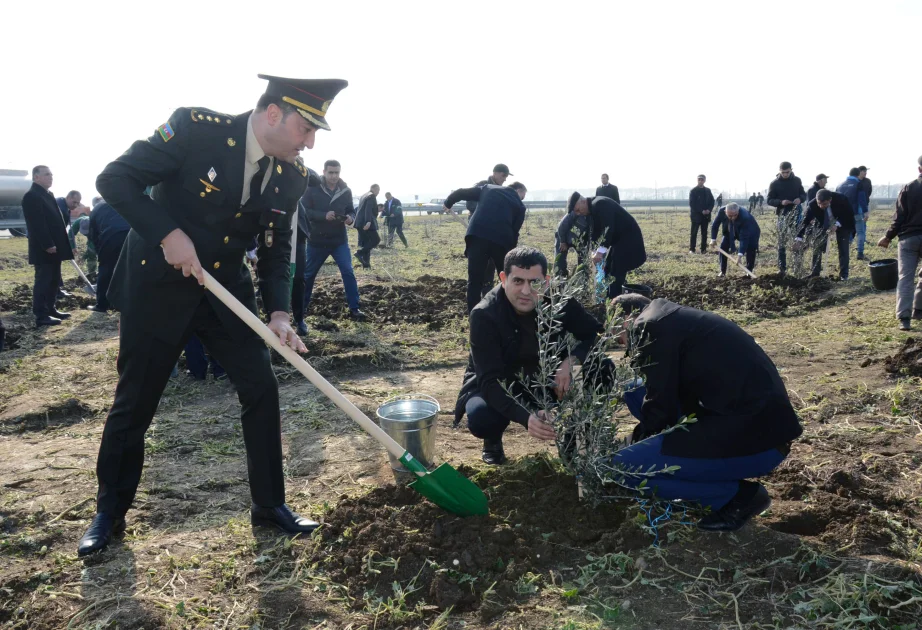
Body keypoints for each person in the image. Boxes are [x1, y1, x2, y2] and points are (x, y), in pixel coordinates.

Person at [78, 75, 348, 557]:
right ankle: (109, 513)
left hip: (224, 291)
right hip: (158, 285)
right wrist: (167, 234)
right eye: (306, 129)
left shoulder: (291, 176)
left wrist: (280, 312)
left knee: (261, 388)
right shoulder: (194, 129)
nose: (309, 142)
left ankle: (269, 505)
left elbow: (275, 248)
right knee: (135, 399)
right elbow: (115, 180)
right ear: (272, 115)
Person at [611, 293, 802, 532]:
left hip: (757, 441)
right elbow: (661, 394)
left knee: (621, 466)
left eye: (615, 333)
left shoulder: (648, 326)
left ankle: (737, 496)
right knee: (635, 390)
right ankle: (680, 460)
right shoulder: (668, 318)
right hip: (755, 421)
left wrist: (634, 444)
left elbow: (661, 406)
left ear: (626, 319)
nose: (619, 342)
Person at [453, 247, 607, 464]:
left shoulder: (560, 301)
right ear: (504, 278)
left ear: (546, 280)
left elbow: (594, 333)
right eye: (518, 281)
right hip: (504, 382)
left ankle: (576, 441)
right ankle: (492, 441)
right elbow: (489, 380)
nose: (526, 291)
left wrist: (572, 361)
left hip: (549, 378)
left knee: (603, 369)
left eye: (534, 282)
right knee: (482, 418)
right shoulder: (484, 315)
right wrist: (527, 417)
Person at [299, 159, 365, 332]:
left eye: (337, 172)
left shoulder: (346, 191)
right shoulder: (312, 188)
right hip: (317, 241)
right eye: (331, 173)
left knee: (348, 271)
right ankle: (300, 312)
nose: (334, 176)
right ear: (324, 172)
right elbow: (304, 211)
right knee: (308, 275)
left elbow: (351, 209)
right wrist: (323, 215)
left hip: (339, 241)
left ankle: (354, 309)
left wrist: (351, 217)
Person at [444, 182, 528, 313]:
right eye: (523, 195)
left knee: (474, 280)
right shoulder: (519, 205)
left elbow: (461, 192)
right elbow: (514, 232)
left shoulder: (488, 188)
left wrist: (448, 202)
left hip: (477, 237)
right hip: (502, 241)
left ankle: (474, 315)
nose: (523, 198)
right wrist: (510, 255)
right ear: (518, 191)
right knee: (505, 279)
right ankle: (505, 312)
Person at [21, 165, 74, 327]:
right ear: (36, 177)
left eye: (51, 174)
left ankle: (51, 309)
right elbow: (37, 224)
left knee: (54, 280)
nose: (51, 177)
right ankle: (41, 315)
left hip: (55, 248)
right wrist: (47, 244)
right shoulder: (32, 196)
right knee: (43, 280)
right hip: (44, 249)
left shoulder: (47, 194)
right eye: (46, 175)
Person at [568, 191, 646, 298]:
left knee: (616, 271)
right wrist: (594, 251)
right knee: (608, 268)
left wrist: (600, 252)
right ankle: (608, 298)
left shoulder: (601, 204)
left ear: (583, 201)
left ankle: (615, 301)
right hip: (618, 241)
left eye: (577, 210)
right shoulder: (592, 208)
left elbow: (607, 229)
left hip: (629, 240)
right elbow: (595, 232)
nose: (578, 213)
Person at [877, 156, 922, 331]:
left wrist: (888, 237)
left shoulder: (909, 188)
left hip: (908, 239)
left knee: (905, 278)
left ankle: (904, 318)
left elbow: (899, 217)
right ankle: (918, 310)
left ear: (919, 169)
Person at [795, 189, 854, 280]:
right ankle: (815, 273)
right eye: (819, 203)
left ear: (830, 200)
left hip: (843, 223)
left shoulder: (841, 199)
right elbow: (804, 222)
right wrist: (798, 238)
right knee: (817, 246)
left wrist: (837, 225)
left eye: (825, 204)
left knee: (843, 248)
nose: (821, 206)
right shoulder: (812, 205)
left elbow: (848, 215)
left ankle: (843, 275)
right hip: (823, 224)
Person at [87, 199, 131, 313]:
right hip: (132, 235)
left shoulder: (97, 209)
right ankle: (126, 303)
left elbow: (93, 234)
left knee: (106, 269)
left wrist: (99, 253)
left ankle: (102, 305)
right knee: (130, 269)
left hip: (110, 237)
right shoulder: (124, 201)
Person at [766, 162, 806, 274]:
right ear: (779, 171)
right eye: (783, 172)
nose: (785, 174)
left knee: (797, 239)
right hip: (782, 214)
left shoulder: (797, 181)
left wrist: (800, 199)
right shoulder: (774, 184)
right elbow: (769, 200)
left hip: (796, 214)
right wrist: (780, 202)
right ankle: (782, 268)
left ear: (791, 170)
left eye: (787, 172)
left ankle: (797, 266)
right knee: (782, 241)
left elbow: (803, 194)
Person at [709, 202, 760, 276]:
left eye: (735, 215)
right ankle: (722, 271)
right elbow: (715, 225)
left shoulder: (745, 217)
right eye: (730, 216)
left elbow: (744, 239)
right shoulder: (721, 211)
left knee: (750, 249)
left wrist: (739, 256)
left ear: (738, 211)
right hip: (730, 230)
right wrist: (713, 239)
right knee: (723, 247)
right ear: (725, 212)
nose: (732, 218)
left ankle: (749, 272)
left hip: (751, 231)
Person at [447, 164, 512, 216]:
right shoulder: (482, 186)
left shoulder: (501, 191)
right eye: (503, 175)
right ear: (495, 173)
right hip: (478, 224)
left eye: (506, 177)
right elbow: (470, 204)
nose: (505, 179)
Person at [836, 168, 869, 260]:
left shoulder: (840, 185)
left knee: (846, 233)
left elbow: (836, 200)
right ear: (858, 174)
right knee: (860, 232)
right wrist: (866, 211)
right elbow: (862, 199)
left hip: (843, 215)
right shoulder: (859, 184)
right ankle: (860, 253)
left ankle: (845, 252)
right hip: (856, 213)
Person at [354, 184, 380, 269]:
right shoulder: (371, 196)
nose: (378, 193)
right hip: (366, 223)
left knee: (366, 243)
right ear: (374, 189)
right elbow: (368, 209)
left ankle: (366, 265)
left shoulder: (363, 196)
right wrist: (368, 221)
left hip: (359, 223)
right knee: (376, 240)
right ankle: (359, 253)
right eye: (378, 190)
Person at [554, 210, 589, 276]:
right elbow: (562, 227)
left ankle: (581, 278)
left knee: (583, 258)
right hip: (563, 236)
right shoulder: (577, 211)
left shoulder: (593, 216)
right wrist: (563, 241)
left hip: (580, 239)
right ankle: (560, 277)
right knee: (560, 258)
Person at [688, 174, 715, 254]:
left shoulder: (708, 190)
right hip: (696, 216)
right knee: (694, 233)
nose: (700, 181)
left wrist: (709, 210)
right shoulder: (693, 191)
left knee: (704, 233)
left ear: (704, 180)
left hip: (705, 216)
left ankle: (703, 249)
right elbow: (692, 204)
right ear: (697, 180)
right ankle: (692, 249)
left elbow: (712, 201)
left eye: (702, 179)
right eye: (699, 179)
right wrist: (701, 211)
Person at [68, 203, 97, 275]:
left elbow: (92, 247)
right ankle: (92, 272)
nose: (85, 234)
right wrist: (73, 247)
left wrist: (84, 257)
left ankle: (93, 272)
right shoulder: (78, 222)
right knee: (91, 252)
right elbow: (70, 234)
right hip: (92, 236)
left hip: (98, 237)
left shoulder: (96, 224)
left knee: (92, 254)